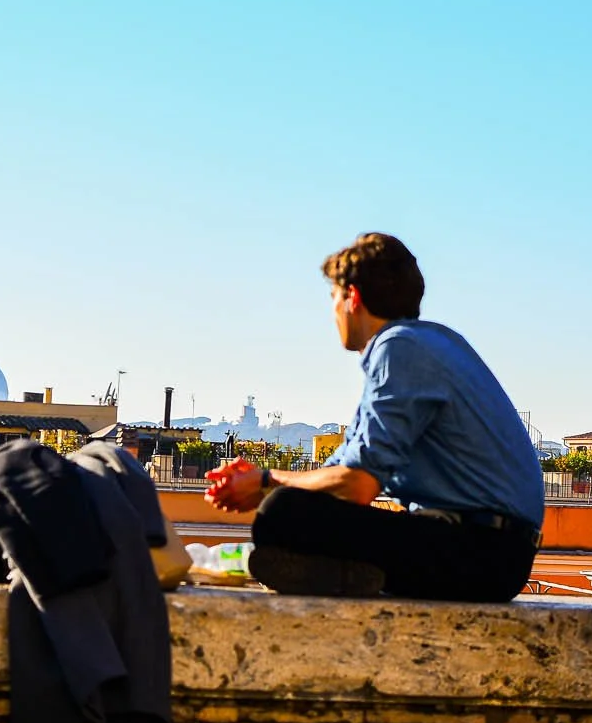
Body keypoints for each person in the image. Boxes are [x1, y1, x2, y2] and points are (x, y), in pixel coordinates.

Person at [205, 232, 545, 602]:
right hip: (491, 550)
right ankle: (348, 576)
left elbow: (356, 486)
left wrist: (268, 480)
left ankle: (343, 575)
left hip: (482, 554)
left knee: (281, 514)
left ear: (352, 297)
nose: (332, 312)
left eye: (333, 299)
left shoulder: (398, 348)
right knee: (285, 505)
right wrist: (262, 483)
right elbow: (343, 468)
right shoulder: (426, 342)